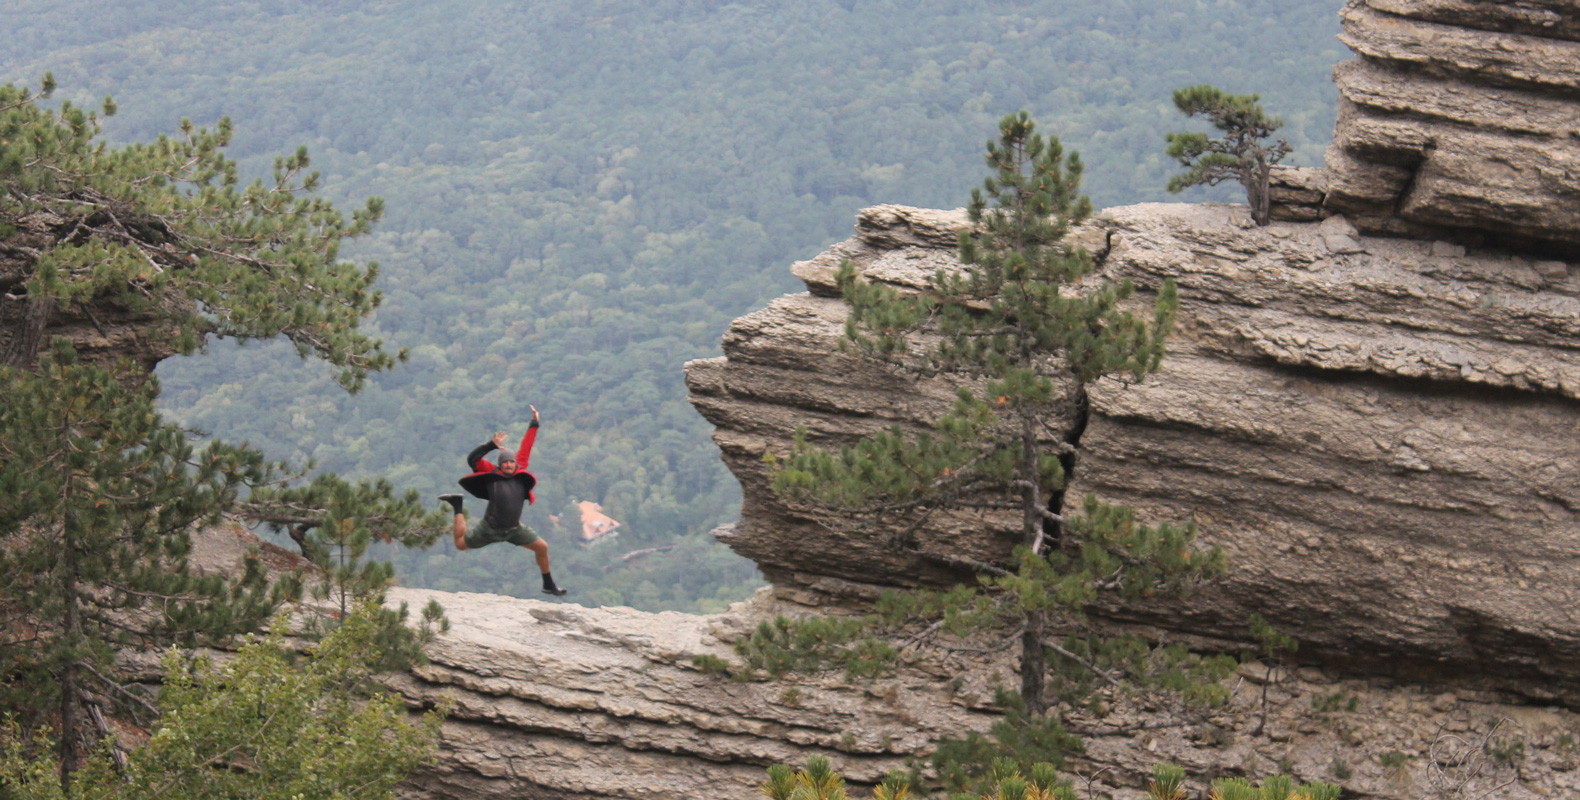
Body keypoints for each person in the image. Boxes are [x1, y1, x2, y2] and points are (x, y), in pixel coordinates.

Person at [438, 405, 567, 596]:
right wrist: (490, 445)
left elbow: (526, 447)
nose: (508, 464)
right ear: (500, 464)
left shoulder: (520, 472)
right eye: (505, 462)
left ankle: (548, 584)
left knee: (542, 547)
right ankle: (457, 506)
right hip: (489, 529)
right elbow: (473, 459)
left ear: (515, 463)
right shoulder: (492, 474)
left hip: (514, 529)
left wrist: (534, 424)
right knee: (460, 544)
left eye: (511, 461)